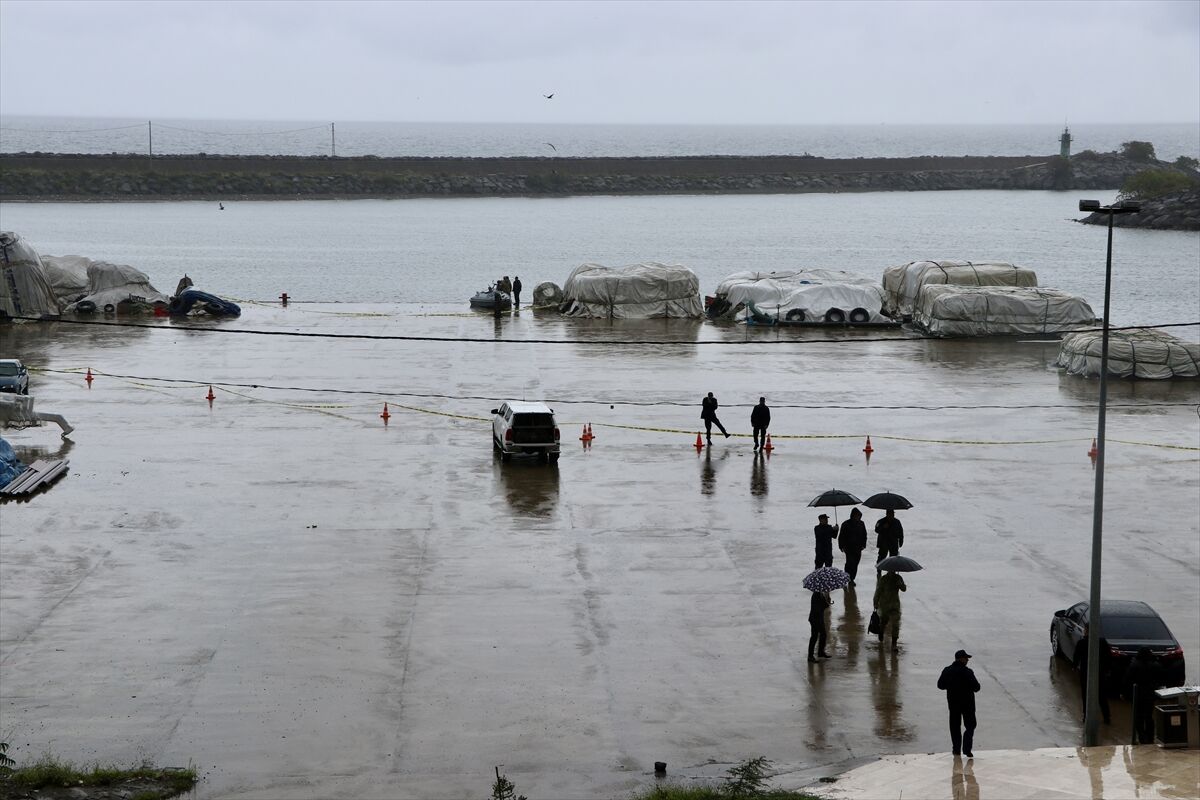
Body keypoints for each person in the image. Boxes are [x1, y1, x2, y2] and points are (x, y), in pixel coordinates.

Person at [937, 649, 981, 757]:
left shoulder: (947, 670)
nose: (967, 660)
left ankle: (956, 750)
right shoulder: (968, 672)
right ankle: (967, 749)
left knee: (955, 726)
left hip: (953, 704)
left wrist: (950, 686)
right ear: (961, 659)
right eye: (966, 658)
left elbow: (940, 685)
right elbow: (977, 687)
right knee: (970, 725)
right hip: (968, 705)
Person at [1125, 646, 1164, 744]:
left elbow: (1127, 680)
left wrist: (1125, 694)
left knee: (1138, 717)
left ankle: (1142, 737)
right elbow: (1162, 678)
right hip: (1150, 695)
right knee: (1149, 717)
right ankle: (1150, 739)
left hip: (1138, 695)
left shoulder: (1134, 665)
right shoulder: (1155, 665)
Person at [873, 569, 906, 651]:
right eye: (891, 570)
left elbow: (904, 589)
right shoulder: (883, 579)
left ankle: (894, 644)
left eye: (894, 570)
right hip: (884, 605)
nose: (893, 571)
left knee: (896, 624)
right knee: (884, 621)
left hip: (895, 605)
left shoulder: (898, 578)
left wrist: (900, 584)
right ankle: (881, 631)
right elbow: (878, 591)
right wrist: (875, 602)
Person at [838, 508, 868, 586]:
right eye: (857, 516)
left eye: (859, 516)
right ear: (853, 515)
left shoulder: (861, 523)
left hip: (858, 548)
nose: (858, 517)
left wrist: (863, 545)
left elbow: (864, 535)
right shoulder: (846, 524)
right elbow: (841, 536)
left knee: (855, 564)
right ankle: (847, 578)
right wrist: (841, 546)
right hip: (848, 548)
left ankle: (852, 578)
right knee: (849, 564)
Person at [874, 509, 904, 574]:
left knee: (893, 559)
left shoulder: (897, 522)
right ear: (886, 514)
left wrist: (901, 541)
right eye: (890, 514)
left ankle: (891, 572)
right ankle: (879, 570)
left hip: (894, 543)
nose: (891, 515)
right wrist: (883, 527)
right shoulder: (881, 521)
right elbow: (876, 530)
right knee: (881, 558)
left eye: (893, 514)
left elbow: (901, 532)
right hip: (883, 543)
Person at [808, 589, 831, 662]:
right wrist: (826, 604)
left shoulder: (821, 594)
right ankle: (810, 656)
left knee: (823, 634)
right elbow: (818, 607)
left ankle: (820, 652)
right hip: (815, 619)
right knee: (814, 637)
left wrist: (827, 602)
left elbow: (823, 605)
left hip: (819, 618)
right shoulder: (816, 595)